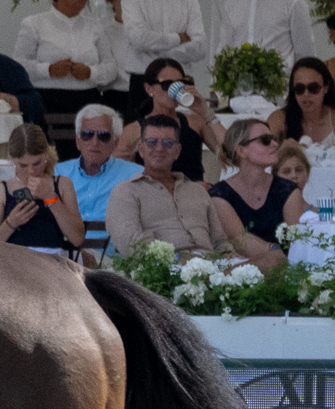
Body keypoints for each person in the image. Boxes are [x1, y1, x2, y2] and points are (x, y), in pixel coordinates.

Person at [106, 115, 232, 259]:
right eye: (152, 142)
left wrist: (231, 258)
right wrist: (178, 261)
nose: (159, 148)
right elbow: (131, 245)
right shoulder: (126, 192)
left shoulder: (197, 191)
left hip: (211, 270)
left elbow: (220, 242)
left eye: (167, 143)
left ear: (177, 151)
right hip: (161, 273)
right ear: (141, 149)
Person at [121, 0, 209, 117]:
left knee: (184, 140)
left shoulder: (189, 0)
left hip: (183, 83)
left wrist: (157, 52)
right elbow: (137, 38)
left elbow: (200, 48)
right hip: (144, 84)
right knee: (141, 142)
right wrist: (178, 38)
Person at [13, 0, 115, 120]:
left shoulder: (95, 27)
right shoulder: (34, 24)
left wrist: (90, 72)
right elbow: (19, 66)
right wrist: (49, 70)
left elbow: (110, 68)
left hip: (88, 103)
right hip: (46, 101)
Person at [209, 118, 303, 270]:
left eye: (273, 139)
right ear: (241, 150)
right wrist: (274, 252)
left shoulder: (288, 190)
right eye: (265, 140)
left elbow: (297, 242)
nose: (275, 144)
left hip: (287, 270)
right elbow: (240, 241)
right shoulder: (220, 194)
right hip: (244, 272)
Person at [0, 123, 83, 253]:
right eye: (23, 165)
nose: (31, 171)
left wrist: (51, 198)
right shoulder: (2, 190)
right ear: (13, 160)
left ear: (46, 155)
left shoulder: (62, 184)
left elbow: (77, 239)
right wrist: (11, 223)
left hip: (51, 264)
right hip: (13, 264)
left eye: (37, 163)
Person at [127, 57, 223, 181]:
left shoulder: (195, 122)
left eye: (179, 84)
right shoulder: (135, 129)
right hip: (156, 193)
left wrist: (206, 112)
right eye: (166, 85)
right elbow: (117, 169)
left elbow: (231, 154)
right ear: (149, 88)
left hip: (194, 194)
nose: (173, 90)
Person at [54, 103, 142, 223]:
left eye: (103, 136)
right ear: (78, 141)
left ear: (115, 143)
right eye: (87, 134)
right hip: (66, 241)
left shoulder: (135, 175)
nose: (95, 142)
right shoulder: (57, 173)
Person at [269, 57, 335, 147]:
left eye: (313, 88)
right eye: (299, 89)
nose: (306, 94)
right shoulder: (279, 119)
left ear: (326, 87)